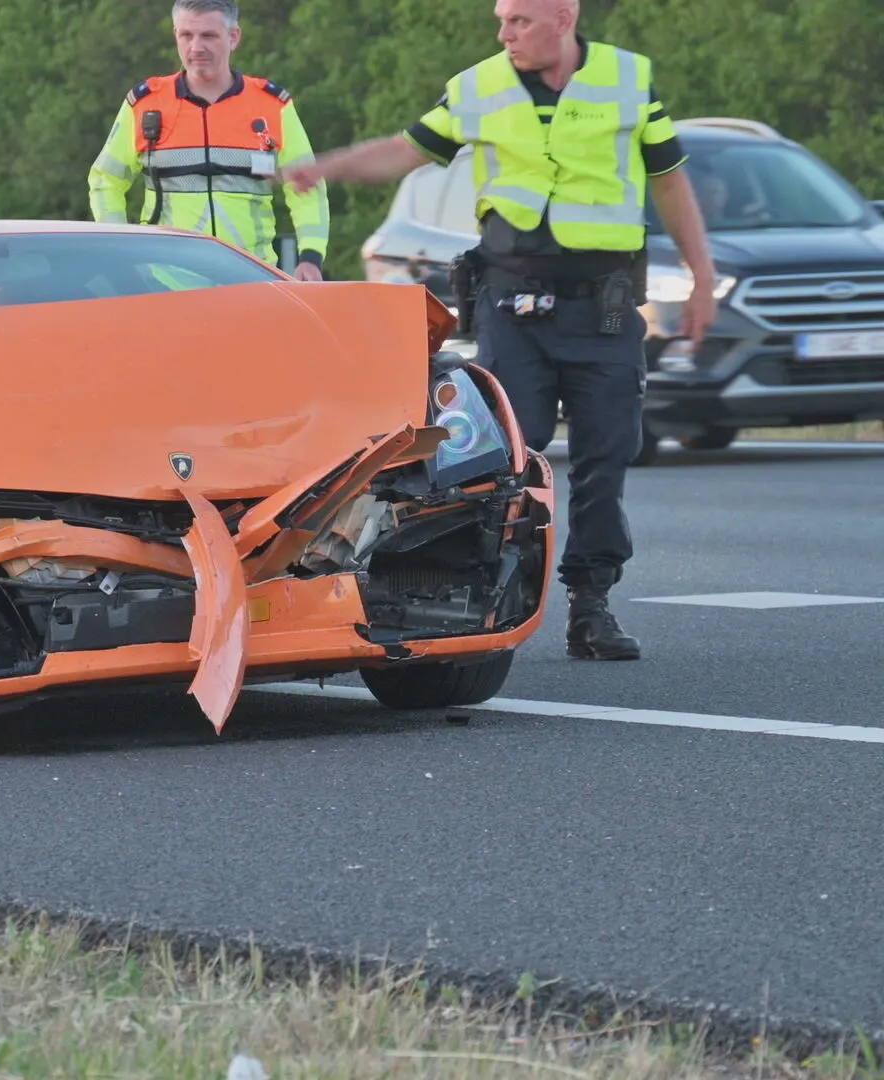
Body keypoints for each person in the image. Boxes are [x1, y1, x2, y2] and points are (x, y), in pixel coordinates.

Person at [283, 0, 718, 661]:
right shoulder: (477, 87)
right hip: (513, 307)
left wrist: (703, 277)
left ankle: (590, 606)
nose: (503, 33)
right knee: (502, 456)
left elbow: (670, 181)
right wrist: (328, 166)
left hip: (602, 311)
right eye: (501, 19)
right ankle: (474, 603)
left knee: (607, 458)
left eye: (519, 20)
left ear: (564, 16)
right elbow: (403, 152)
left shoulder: (628, 80)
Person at [88, 0, 329, 279]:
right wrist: (119, 249)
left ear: (233, 37)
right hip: (166, 284)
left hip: (253, 281)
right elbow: (106, 179)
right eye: (186, 35)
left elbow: (306, 184)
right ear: (175, 34)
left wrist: (311, 256)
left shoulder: (272, 106)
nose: (196, 47)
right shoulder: (145, 105)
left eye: (208, 35)